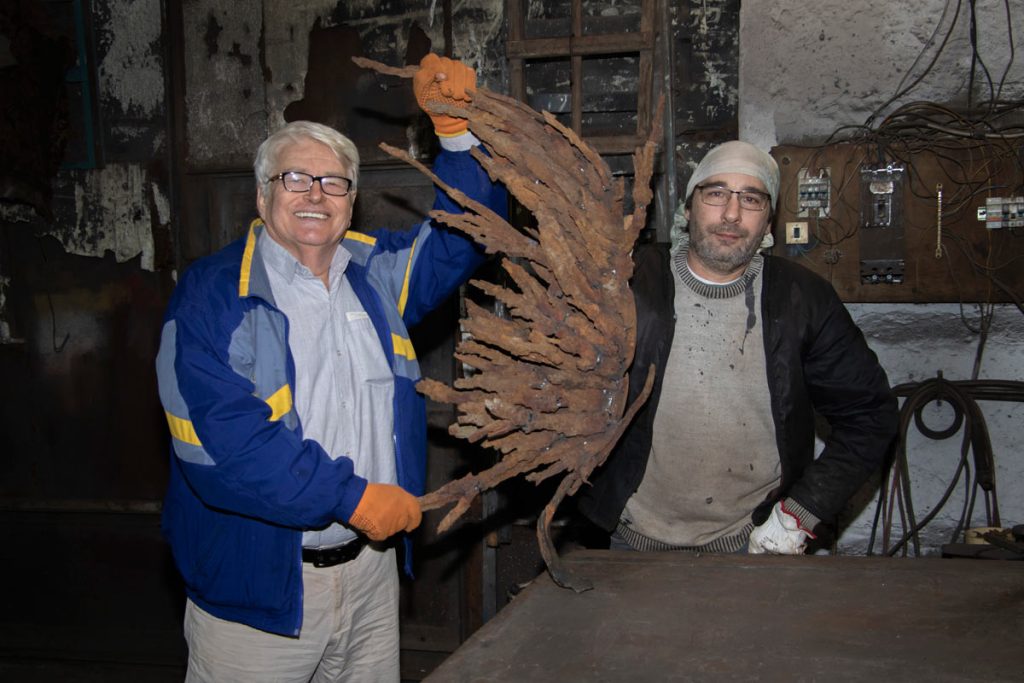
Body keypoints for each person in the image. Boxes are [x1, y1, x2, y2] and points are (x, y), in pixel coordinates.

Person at [156, 53, 506, 682]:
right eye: (295, 179)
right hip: (260, 591)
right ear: (263, 195)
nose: (316, 195)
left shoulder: (374, 276)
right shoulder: (213, 297)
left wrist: (457, 136)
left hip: (369, 576)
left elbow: (466, 236)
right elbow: (223, 450)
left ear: (353, 200)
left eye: (334, 182)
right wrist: (351, 495)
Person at [577, 141, 898, 556]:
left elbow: (871, 415)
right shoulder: (629, 284)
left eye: (751, 199)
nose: (731, 214)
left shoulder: (802, 300)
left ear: (769, 222)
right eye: (715, 194)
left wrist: (802, 512)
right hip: (630, 538)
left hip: (753, 543)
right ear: (688, 209)